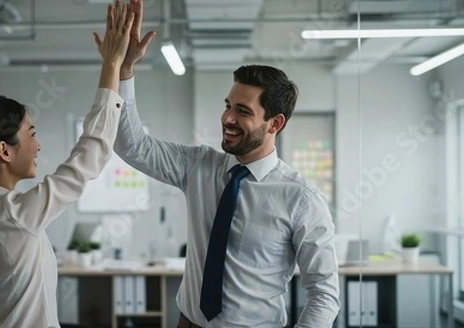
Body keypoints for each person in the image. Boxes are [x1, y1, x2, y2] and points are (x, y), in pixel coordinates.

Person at [104, 1, 341, 327]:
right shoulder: (198, 165)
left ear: (274, 123)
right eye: (228, 105)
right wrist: (124, 71)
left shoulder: (301, 198)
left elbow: (324, 291)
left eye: (243, 111)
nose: (227, 118)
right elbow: (132, 145)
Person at [0, 1, 134, 327]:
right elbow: (90, 153)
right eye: (31, 134)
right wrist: (112, 64)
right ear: (4, 151)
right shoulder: (18, 214)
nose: (38, 146)